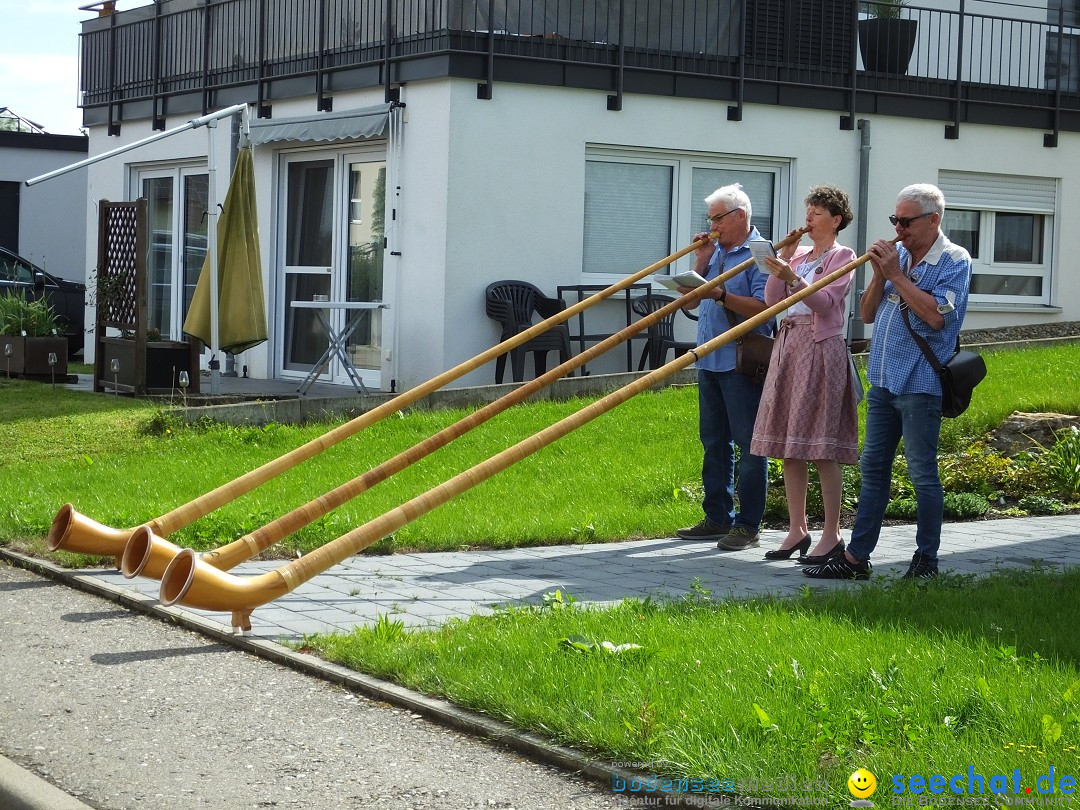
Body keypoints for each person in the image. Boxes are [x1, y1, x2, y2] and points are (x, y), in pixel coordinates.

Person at [804, 183, 972, 581]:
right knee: (873, 469)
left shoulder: (953, 259)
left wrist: (896, 274)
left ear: (934, 219)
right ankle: (856, 558)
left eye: (906, 220)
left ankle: (926, 560)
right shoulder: (897, 257)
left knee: (922, 473)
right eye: (895, 219)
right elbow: (866, 313)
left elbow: (937, 318)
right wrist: (881, 275)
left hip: (922, 384)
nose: (899, 227)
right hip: (883, 381)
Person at [751, 186, 859, 562]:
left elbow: (823, 302)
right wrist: (782, 262)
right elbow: (771, 301)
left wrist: (793, 277)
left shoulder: (843, 256)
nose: (808, 219)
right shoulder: (797, 257)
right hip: (789, 345)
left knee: (820, 444)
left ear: (836, 219)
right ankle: (797, 529)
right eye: (808, 211)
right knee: (789, 445)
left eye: (816, 213)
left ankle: (832, 532)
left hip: (819, 348)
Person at [675, 184, 773, 551]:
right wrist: (701, 260)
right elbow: (689, 299)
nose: (712, 225)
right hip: (709, 359)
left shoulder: (761, 253)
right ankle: (717, 517)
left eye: (717, 218)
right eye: (710, 218)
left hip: (740, 361)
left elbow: (766, 306)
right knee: (713, 441)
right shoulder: (715, 250)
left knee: (749, 444)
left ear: (740, 216)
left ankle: (748, 525)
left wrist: (721, 294)